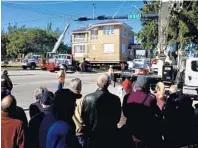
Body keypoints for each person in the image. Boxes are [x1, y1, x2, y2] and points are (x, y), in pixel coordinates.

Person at [81, 74, 121, 148]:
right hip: (110, 135)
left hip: (93, 135)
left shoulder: (88, 98)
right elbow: (117, 118)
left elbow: (84, 118)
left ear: (97, 83)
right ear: (108, 83)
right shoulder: (115, 99)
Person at [124, 76, 160, 148]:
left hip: (130, 130)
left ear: (136, 85)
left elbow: (125, 113)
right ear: (146, 86)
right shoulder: (150, 99)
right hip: (145, 132)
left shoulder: (127, 97)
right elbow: (157, 114)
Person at [70, 78, 84, 147]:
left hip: (70, 132)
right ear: (80, 87)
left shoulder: (66, 99)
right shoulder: (82, 101)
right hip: (79, 132)